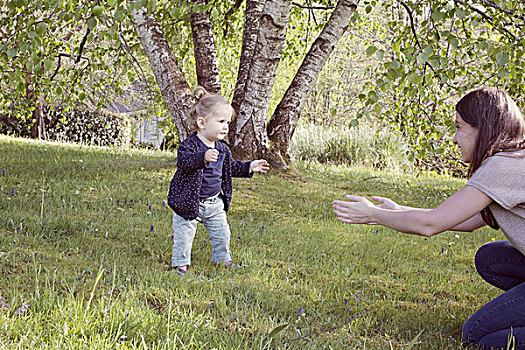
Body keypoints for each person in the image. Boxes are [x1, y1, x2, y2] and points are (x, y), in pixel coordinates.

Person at [332, 87, 525, 349]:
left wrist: (373, 214)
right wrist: (396, 210)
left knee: (479, 336)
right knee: (491, 259)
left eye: (459, 127)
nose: (455, 139)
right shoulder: (511, 161)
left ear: (483, 128)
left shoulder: (502, 167)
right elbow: (465, 222)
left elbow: (430, 224)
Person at [167, 86, 269, 275]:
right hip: (190, 202)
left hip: (214, 203)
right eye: (221, 121)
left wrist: (249, 167)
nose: (225, 127)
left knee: (222, 234)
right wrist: (202, 157)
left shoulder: (223, 149)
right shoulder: (189, 145)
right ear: (202, 122)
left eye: (227, 123)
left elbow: (231, 168)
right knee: (184, 235)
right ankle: (180, 264)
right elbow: (184, 162)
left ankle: (222, 259)